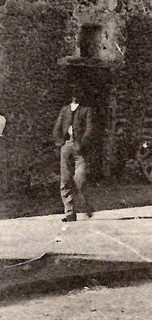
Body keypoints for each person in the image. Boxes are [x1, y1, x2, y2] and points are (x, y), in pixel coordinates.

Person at [54, 92, 96, 222]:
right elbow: (57, 128)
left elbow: (90, 129)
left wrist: (82, 144)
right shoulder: (65, 109)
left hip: (80, 149)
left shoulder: (87, 110)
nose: (76, 96)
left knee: (80, 180)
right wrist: (60, 142)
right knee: (65, 180)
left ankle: (86, 207)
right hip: (66, 146)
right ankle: (70, 213)